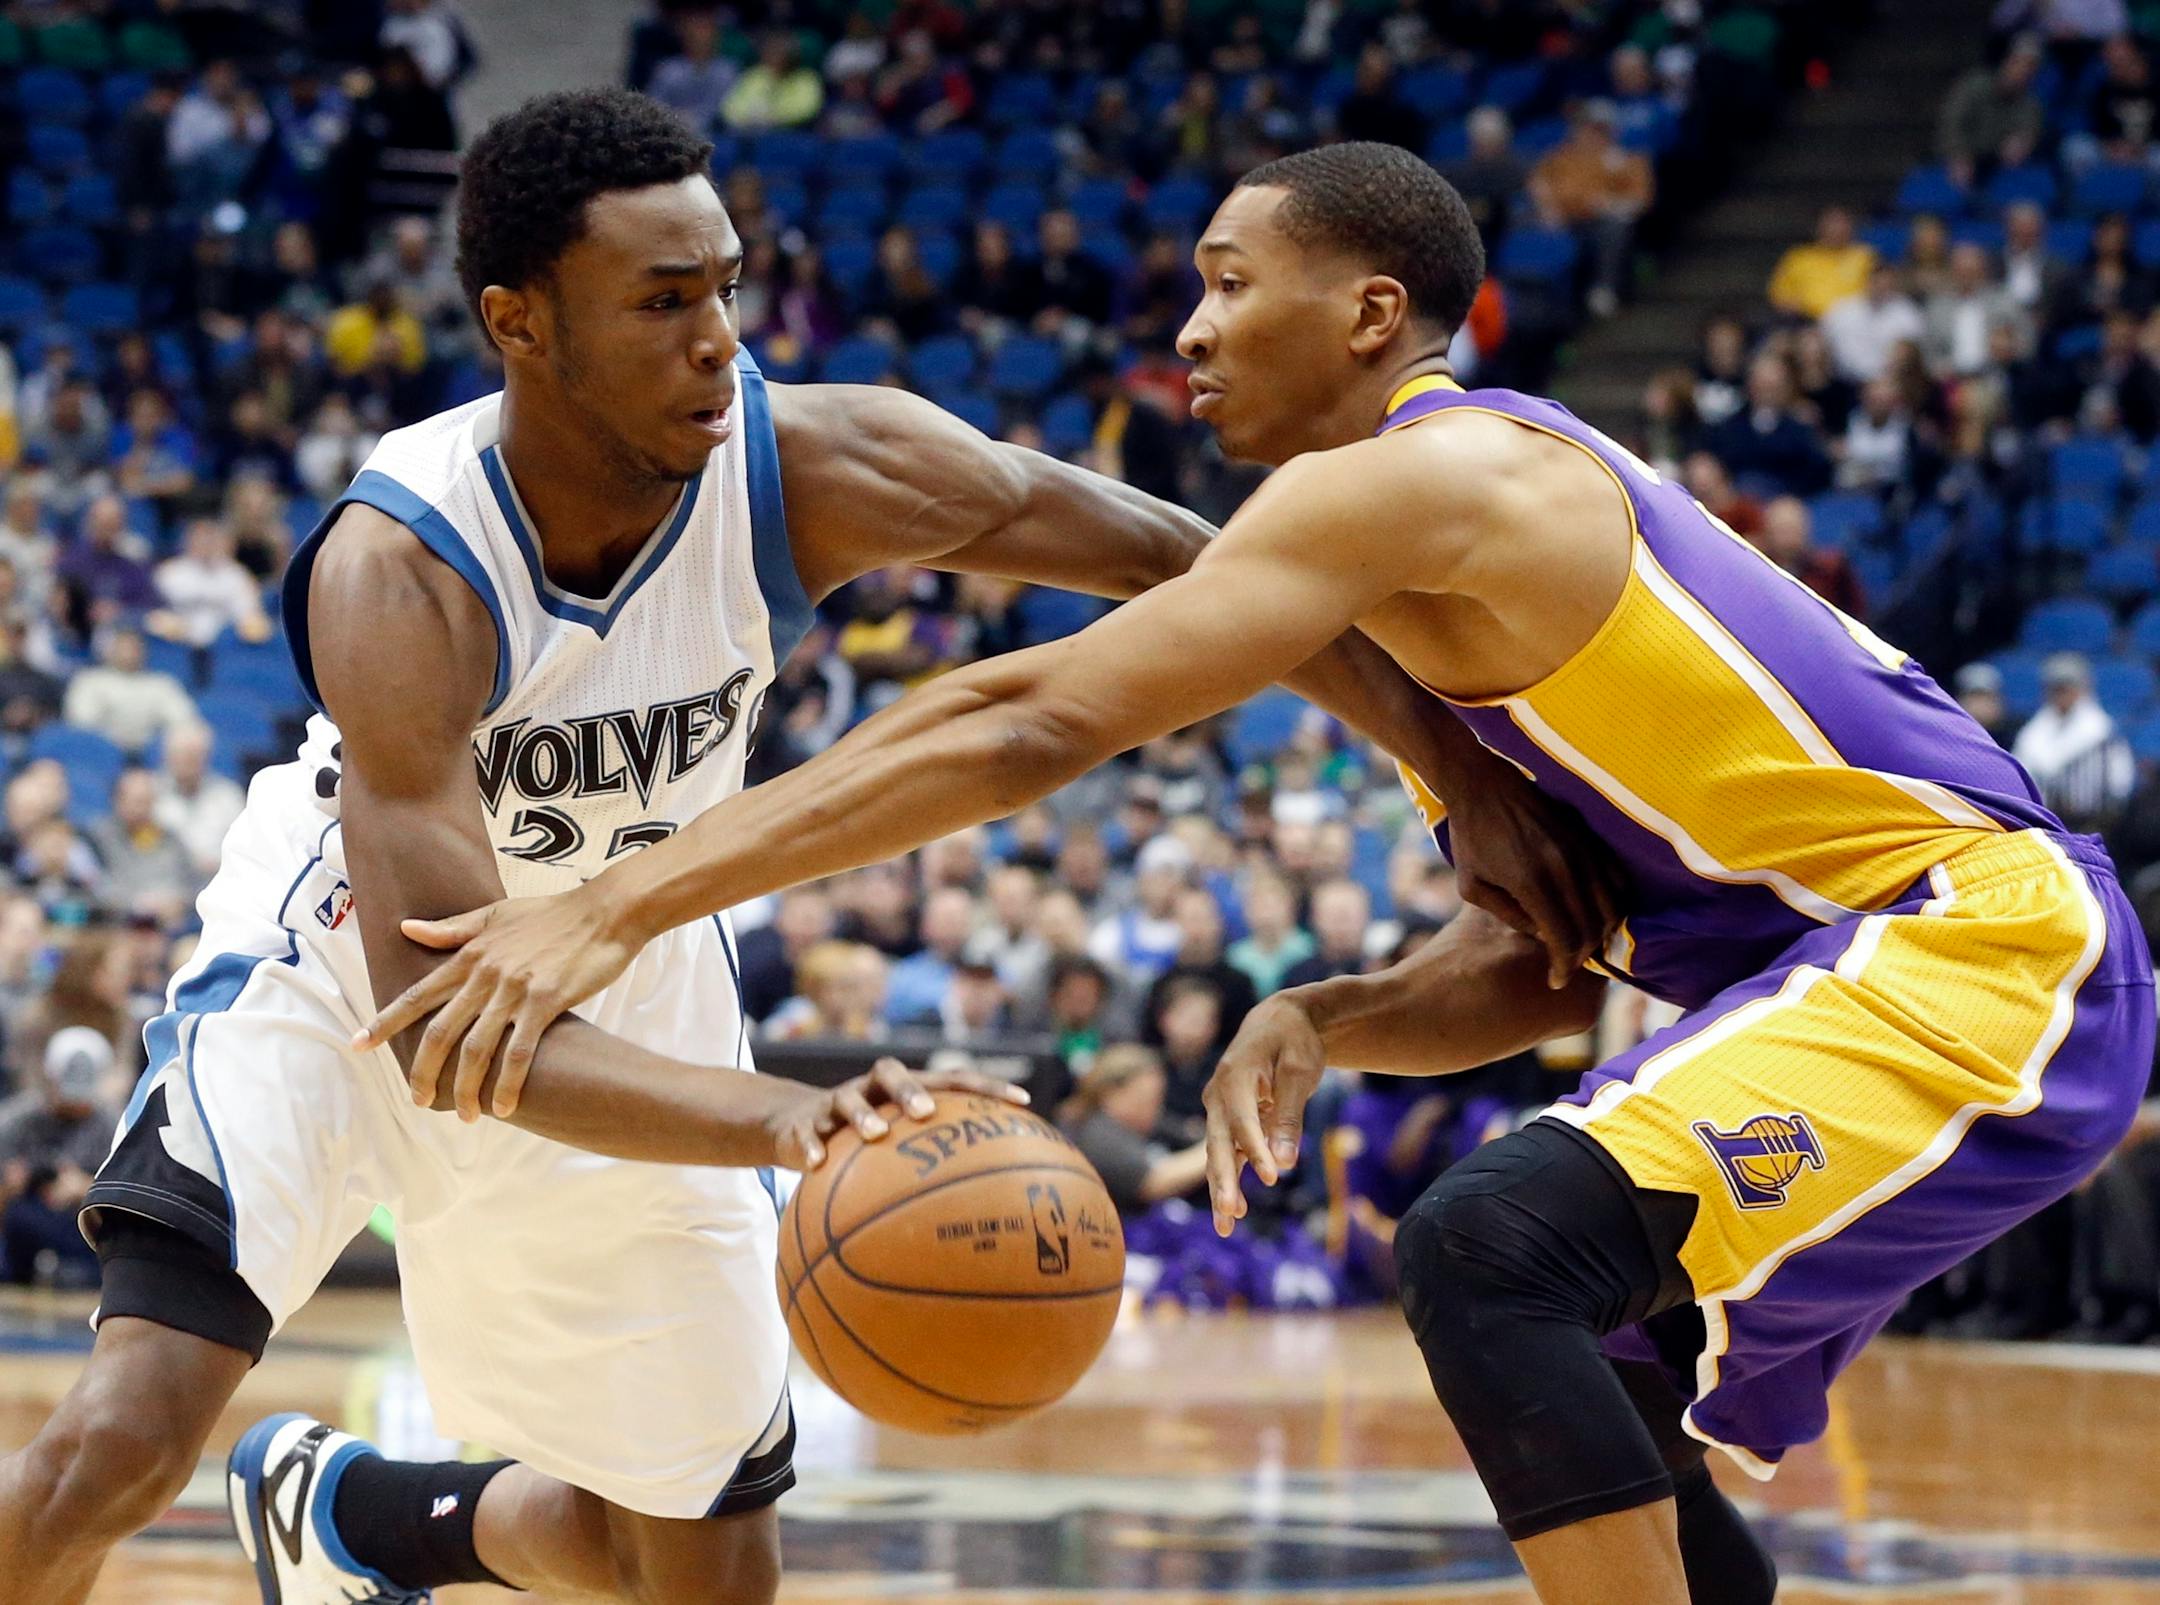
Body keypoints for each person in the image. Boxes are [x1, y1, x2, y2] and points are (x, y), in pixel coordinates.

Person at [381, 142, 2152, 1605]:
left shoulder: (1428, 475)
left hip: (1985, 946)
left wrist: (615, 898)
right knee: (1597, 1354)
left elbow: (1029, 715)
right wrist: (1324, 1014)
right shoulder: (1437, 573)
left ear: (1371, 313)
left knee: (1492, 1248)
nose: (1190, 328)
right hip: (1922, 964)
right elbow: (1548, 967)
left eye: (1233, 282)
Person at [0, 104, 1600, 1605]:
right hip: (357, 970)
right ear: (521, 323)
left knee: (687, 1569)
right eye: (661, 301)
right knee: (124, 1440)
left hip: (629, 958)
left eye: (728, 289)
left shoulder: (821, 464)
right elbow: (448, 1028)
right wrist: (793, 1123)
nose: (718, 339)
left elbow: (1194, 564)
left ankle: (361, 1516)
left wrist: (1452, 764)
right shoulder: (402, 567)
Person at [1057, 1044, 1207, 1219]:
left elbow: (1188, 1133)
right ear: (1112, 1094)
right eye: (1146, 1100)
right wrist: (1220, 1146)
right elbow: (1153, 1183)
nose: (1155, 1109)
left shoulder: (1136, 1123)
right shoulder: (1098, 1133)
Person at [2014, 652, 2135, 833]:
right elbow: (2021, 772)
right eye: (2056, 688)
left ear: (2082, 688)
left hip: (2094, 822)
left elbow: (2120, 780)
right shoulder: (2033, 731)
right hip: (2046, 821)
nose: (2062, 694)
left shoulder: (2103, 729)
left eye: (2067, 687)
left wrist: (2109, 814)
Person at [1765, 208, 1876, 322]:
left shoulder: (1865, 257)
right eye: (1832, 223)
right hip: (1808, 322)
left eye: (1843, 223)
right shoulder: (1799, 257)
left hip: (1857, 321)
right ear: (1819, 227)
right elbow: (1779, 297)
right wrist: (1808, 310)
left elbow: (1881, 291)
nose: (1838, 229)